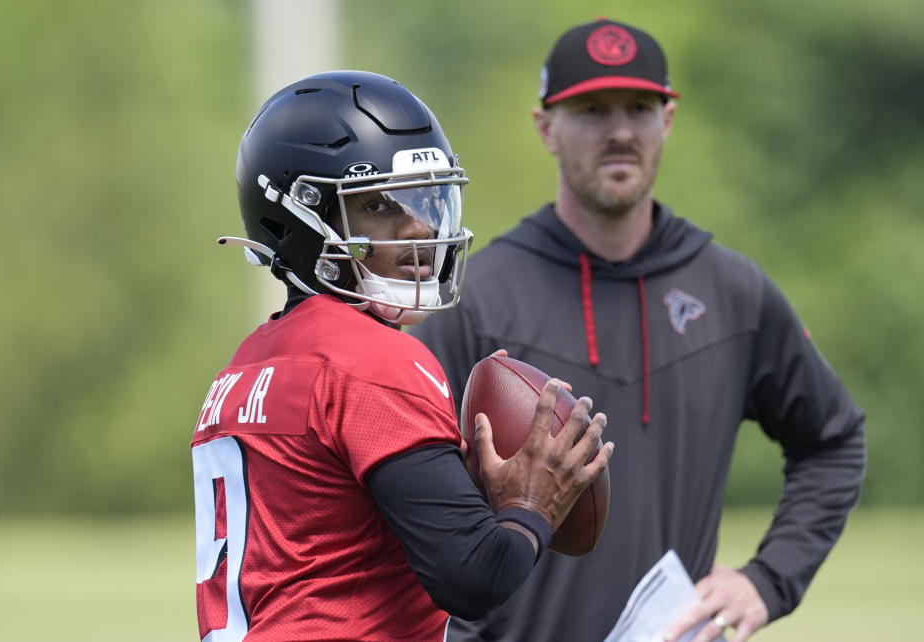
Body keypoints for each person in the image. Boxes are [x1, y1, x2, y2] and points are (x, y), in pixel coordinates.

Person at [410, 17, 866, 642]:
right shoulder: (476, 299)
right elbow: (407, 492)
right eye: (592, 110)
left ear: (667, 120)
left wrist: (768, 578)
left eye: (639, 108)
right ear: (546, 127)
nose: (620, 131)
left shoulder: (732, 291)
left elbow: (833, 442)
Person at [189, 70, 613, 642]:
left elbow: (333, 539)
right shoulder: (370, 358)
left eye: (423, 200)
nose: (417, 228)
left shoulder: (241, 370)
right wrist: (531, 507)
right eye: (380, 207)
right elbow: (474, 578)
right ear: (300, 218)